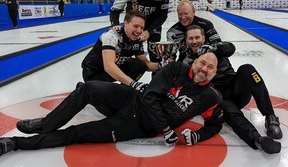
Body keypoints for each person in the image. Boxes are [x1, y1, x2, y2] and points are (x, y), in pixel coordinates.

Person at [0, 52, 223, 156]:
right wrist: (166, 129)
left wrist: (198, 136)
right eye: (202, 62)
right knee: (88, 88)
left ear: (214, 73)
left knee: (78, 133)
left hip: (137, 125)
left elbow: (216, 125)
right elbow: (149, 96)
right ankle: (47, 124)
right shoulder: (176, 69)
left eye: (210, 67)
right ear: (194, 61)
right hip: (131, 98)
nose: (204, 69)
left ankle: (14, 143)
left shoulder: (212, 98)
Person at [178, 25, 282, 154]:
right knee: (231, 113)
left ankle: (270, 116)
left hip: (236, 89)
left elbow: (231, 48)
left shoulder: (216, 47)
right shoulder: (186, 60)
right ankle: (257, 140)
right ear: (186, 41)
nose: (194, 41)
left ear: (203, 38)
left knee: (247, 69)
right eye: (191, 38)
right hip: (217, 97)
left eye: (197, 37)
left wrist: (213, 48)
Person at [81, 10, 159, 89]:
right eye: (135, 26)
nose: (139, 31)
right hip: (95, 72)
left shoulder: (137, 40)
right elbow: (108, 66)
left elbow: (146, 64)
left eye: (142, 28)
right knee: (106, 96)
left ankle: (124, 91)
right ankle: (84, 88)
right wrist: (133, 84)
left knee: (140, 65)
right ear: (125, 23)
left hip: (112, 70)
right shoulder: (112, 35)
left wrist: (162, 65)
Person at [110, 0, 169, 65]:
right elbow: (115, 9)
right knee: (124, 56)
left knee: (156, 56)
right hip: (133, 25)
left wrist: (148, 32)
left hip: (153, 25)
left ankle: (156, 80)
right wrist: (115, 24)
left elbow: (163, 15)